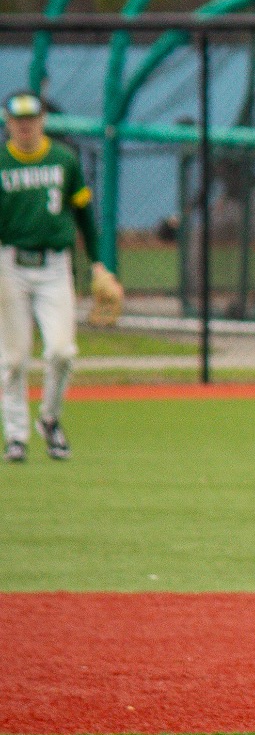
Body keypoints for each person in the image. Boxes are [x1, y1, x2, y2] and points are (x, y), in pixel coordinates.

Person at [0, 92, 117, 462]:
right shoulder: (1, 161)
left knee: (62, 352)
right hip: (10, 265)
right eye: (18, 119)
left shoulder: (64, 160)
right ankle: (16, 435)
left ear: (43, 120)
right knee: (15, 359)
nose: (25, 125)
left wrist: (98, 264)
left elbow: (83, 214)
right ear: (8, 123)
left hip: (54, 267)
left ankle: (49, 419)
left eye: (32, 118)